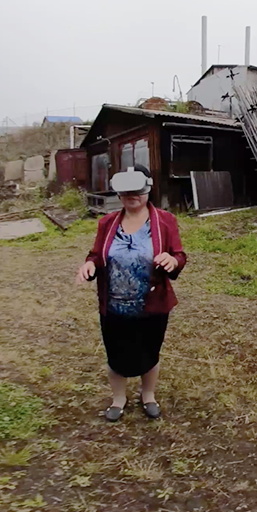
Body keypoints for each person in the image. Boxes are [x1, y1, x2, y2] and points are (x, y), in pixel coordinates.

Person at [75, 167, 186, 421]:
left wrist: (172, 260)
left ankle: (148, 396)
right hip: (114, 305)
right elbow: (96, 255)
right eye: (125, 189)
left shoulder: (165, 221)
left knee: (150, 352)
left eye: (137, 188)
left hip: (152, 305)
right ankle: (118, 399)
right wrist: (89, 265)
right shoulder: (106, 222)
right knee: (116, 356)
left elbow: (179, 255)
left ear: (148, 188)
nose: (131, 194)